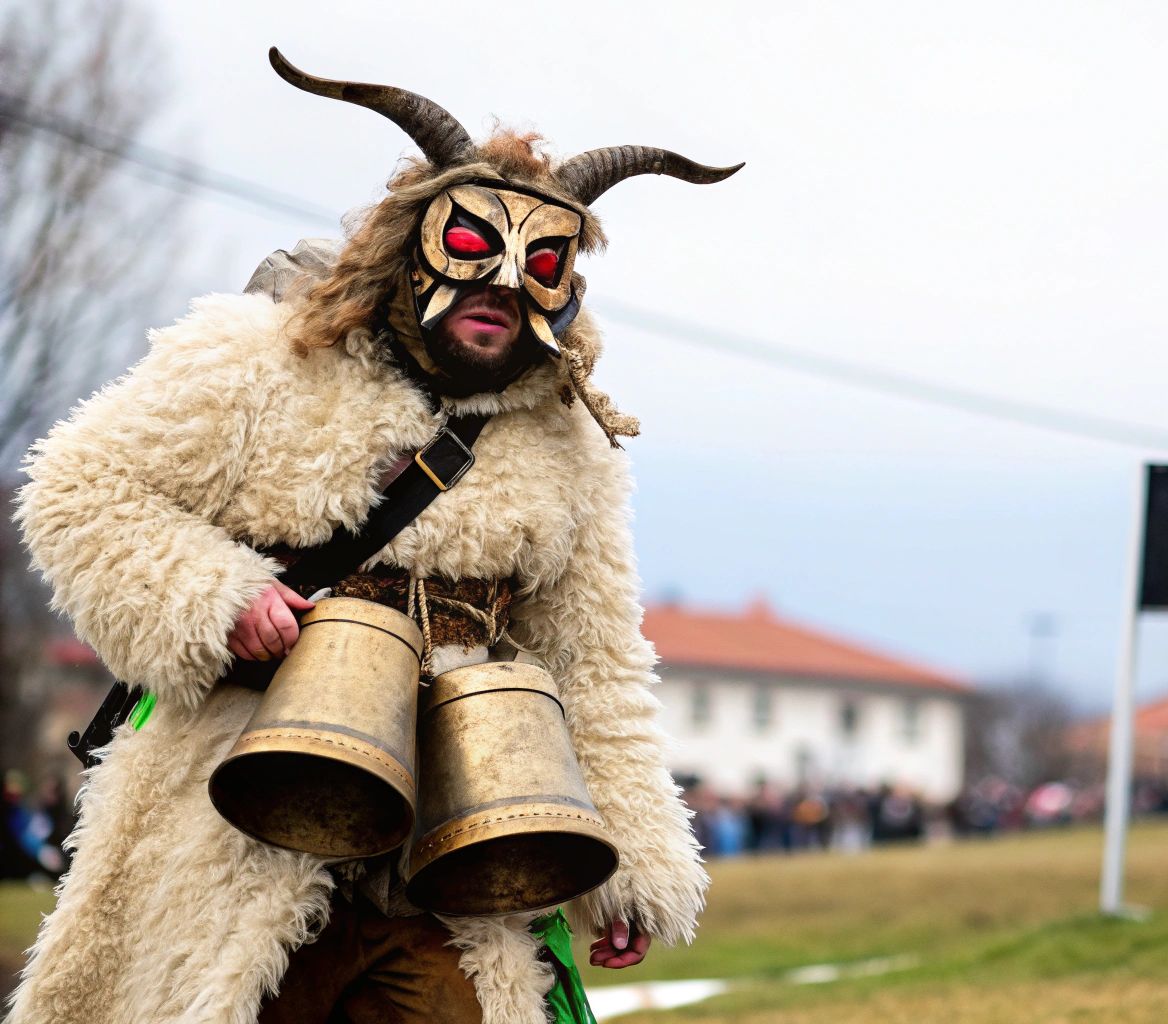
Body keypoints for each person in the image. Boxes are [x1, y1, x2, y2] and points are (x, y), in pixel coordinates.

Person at [8, 49, 738, 1024]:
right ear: (415, 243)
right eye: (475, 246)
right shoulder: (262, 359)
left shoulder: (568, 440)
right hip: (231, 824)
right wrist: (219, 600)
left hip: (448, 855)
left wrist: (630, 866)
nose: (505, 283)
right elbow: (79, 487)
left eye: (541, 265)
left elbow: (595, 658)